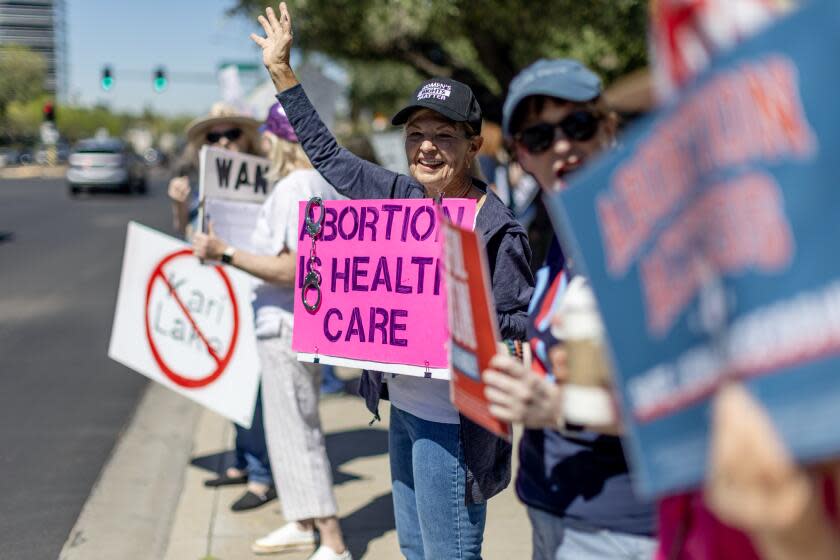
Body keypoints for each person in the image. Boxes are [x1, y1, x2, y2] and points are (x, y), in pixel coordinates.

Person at [250, 4, 534, 559]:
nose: (425, 146)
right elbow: (330, 158)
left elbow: (516, 325)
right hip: (404, 407)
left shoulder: (496, 227)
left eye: (443, 135)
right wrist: (283, 74)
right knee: (412, 549)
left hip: (453, 424)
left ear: (473, 145)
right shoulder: (400, 199)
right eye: (416, 134)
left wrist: (462, 316)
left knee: (448, 554)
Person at [482, 59, 657, 559]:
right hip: (550, 504)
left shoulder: (645, 240)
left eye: (577, 125)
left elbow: (689, 400)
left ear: (609, 130)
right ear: (521, 154)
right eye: (539, 136)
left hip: (625, 526)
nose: (561, 145)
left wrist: (560, 408)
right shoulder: (551, 233)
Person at [192, 102, 351, 560]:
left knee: (298, 433)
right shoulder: (321, 181)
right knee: (287, 431)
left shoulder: (295, 185)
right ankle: (302, 522)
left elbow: (297, 267)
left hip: (285, 324)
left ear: (278, 140)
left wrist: (226, 253)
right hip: (301, 323)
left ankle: (333, 540)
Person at [170, 103, 276, 512]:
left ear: (247, 138)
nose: (224, 142)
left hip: (257, 291)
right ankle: (243, 462)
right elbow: (189, 239)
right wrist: (181, 206)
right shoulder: (203, 185)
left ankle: (262, 475)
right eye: (214, 137)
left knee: (257, 393)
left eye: (231, 134)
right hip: (223, 299)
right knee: (234, 384)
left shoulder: (267, 181)